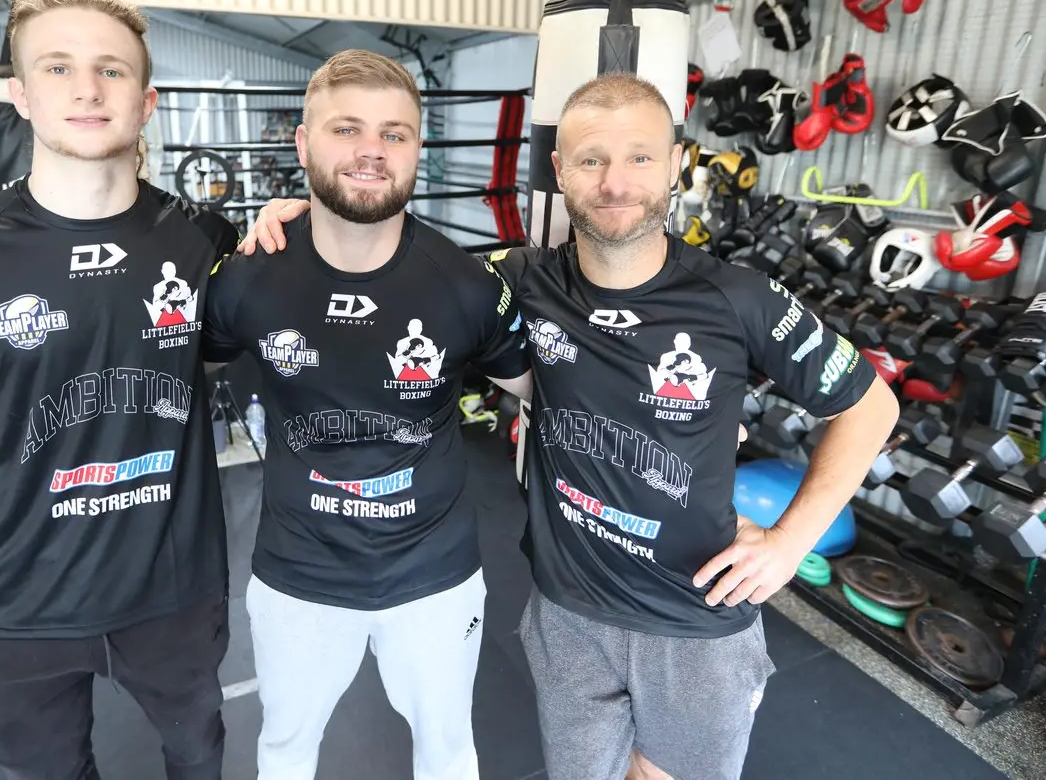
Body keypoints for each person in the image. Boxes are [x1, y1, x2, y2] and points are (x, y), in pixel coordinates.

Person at [242, 72, 898, 780]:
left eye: (640, 156)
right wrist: (314, 218)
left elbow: (870, 407)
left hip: (694, 615)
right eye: (591, 159)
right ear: (559, 170)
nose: (615, 182)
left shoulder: (738, 298)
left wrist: (789, 542)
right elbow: (398, 264)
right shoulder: (518, 279)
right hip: (568, 613)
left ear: (676, 163)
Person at [0, 0, 242, 780]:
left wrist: (291, 230)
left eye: (111, 70)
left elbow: (212, 353)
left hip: (174, 587)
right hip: (17, 598)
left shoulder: (205, 238)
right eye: (58, 67)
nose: (86, 89)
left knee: (198, 760)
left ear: (145, 102)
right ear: (20, 95)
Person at [199, 49, 532, 780]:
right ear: (303, 143)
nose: (370, 151)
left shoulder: (466, 284)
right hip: (298, 574)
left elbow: (546, 390)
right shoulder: (249, 277)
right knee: (284, 751)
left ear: (417, 147)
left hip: (434, 576)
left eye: (393, 133)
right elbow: (174, 379)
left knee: (448, 754)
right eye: (346, 129)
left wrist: (687, 426)